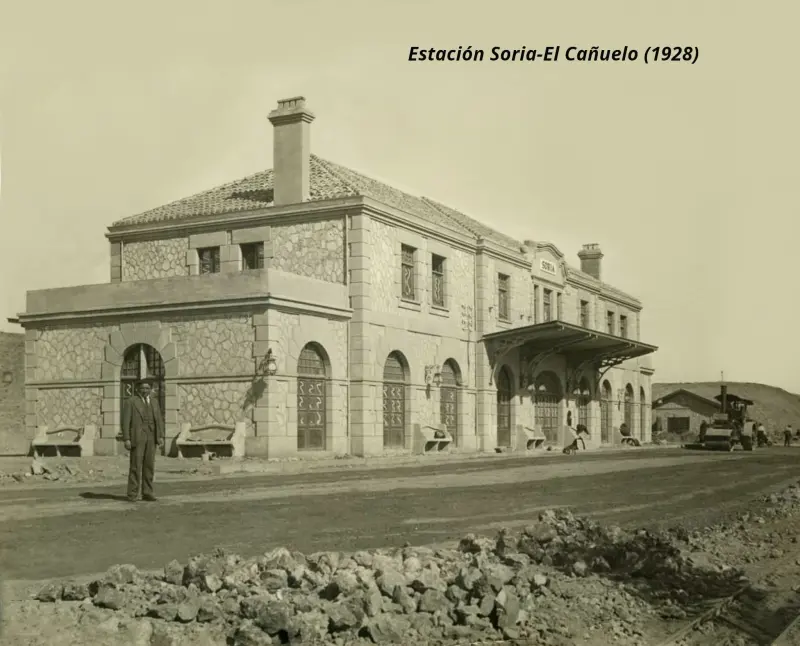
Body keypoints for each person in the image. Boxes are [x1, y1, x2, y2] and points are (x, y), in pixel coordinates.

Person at [121, 380, 164, 502]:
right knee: (135, 466)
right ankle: (132, 494)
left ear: (150, 389)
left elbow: (159, 420)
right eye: (143, 388)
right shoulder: (131, 402)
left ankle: (147, 492)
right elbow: (125, 422)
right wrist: (127, 438)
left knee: (149, 466)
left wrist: (160, 436)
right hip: (137, 437)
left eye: (147, 388)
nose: (145, 390)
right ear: (137, 389)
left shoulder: (154, 402)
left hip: (151, 437)